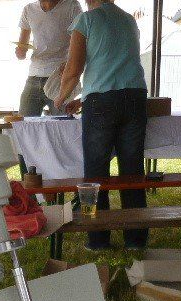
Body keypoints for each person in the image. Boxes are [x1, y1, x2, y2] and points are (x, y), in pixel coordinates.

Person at [54, 0, 148, 251]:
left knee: (95, 175)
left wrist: (60, 97)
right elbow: (115, 64)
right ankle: (136, 239)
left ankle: (97, 239)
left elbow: (73, 69)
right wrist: (83, 99)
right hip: (135, 97)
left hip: (101, 103)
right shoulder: (129, 19)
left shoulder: (86, 20)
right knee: (132, 173)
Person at [15, 0, 82, 118]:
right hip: (34, 76)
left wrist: (69, 65)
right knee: (23, 122)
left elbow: (80, 42)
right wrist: (20, 52)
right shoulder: (29, 9)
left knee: (63, 123)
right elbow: (22, 48)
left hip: (60, 78)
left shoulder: (72, 6)